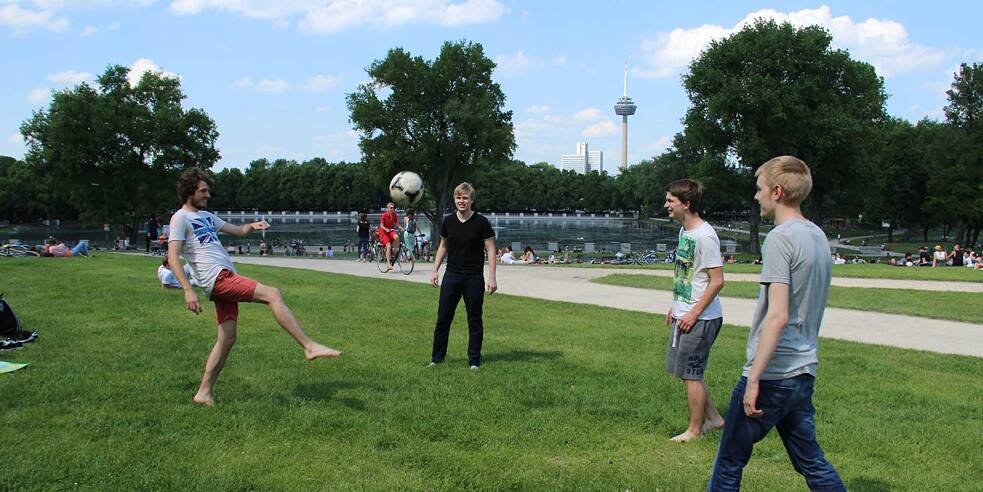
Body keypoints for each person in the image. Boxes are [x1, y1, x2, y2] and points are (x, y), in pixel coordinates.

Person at [708, 156, 845, 491]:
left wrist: (754, 378)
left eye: (759, 190)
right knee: (810, 460)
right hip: (802, 369)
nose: (756, 197)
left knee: (729, 460)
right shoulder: (817, 236)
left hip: (774, 372)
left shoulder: (780, 239)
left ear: (778, 192)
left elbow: (778, 314)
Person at [166, 168, 341, 407]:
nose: (208, 195)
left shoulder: (206, 216)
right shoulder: (180, 218)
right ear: (189, 192)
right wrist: (187, 289)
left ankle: (203, 393)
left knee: (227, 338)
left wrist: (253, 225)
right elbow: (173, 255)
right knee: (273, 293)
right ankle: (309, 346)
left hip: (223, 276)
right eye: (203, 191)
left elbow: (237, 231)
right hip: (216, 277)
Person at [663, 179, 725, 443]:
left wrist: (693, 313)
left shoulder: (705, 237)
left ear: (686, 204)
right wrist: (676, 305)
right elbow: (689, 275)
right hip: (685, 312)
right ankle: (714, 419)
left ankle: (695, 430)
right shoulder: (684, 232)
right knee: (686, 371)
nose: (666, 205)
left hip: (701, 318)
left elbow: (717, 280)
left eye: (670, 201)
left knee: (691, 374)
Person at [430, 182, 497, 369]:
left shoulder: (481, 222)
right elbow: (442, 246)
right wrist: (435, 270)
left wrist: (492, 277)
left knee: (474, 319)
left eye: (465, 198)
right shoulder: (449, 221)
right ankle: (436, 359)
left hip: (474, 277)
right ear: (455, 199)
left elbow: (491, 249)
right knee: (443, 318)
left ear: (471, 200)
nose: (461, 201)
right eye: (458, 197)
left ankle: (474, 361)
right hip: (452, 275)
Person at [377, 202, 401, 271]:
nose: (392, 209)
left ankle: (395, 250)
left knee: (396, 237)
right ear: (387, 209)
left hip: (390, 231)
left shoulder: (394, 215)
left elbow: (396, 223)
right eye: (391, 208)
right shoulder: (384, 215)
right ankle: (388, 264)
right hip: (384, 232)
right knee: (388, 246)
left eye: (393, 208)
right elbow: (381, 225)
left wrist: (401, 228)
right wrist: (385, 229)